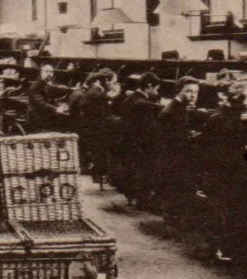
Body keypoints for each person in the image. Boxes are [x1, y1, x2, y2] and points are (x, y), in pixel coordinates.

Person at [198, 80, 247, 262]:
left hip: (224, 173)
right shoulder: (222, 119)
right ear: (237, 98)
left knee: (226, 211)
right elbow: (224, 152)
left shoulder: (228, 115)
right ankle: (217, 251)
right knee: (222, 212)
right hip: (222, 174)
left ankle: (221, 249)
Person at [155, 76, 202, 221]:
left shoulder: (179, 107)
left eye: (195, 92)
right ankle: (173, 218)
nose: (193, 95)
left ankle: (175, 216)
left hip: (175, 157)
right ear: (178, 91)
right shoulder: (172, 112)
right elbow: (174, 140)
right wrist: (197, 137)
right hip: (173, 158)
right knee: (176, 188)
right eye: (188, 91)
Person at [118, 71, 162, 208]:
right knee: (142, 171)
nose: (156, 92)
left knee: (132, 171)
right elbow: (149, 127)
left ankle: (132, 198)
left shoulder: (130, 98)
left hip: (128, 142)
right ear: (149, 86)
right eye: (156, 89)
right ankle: (141, 200)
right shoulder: (142, 103)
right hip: (139, 144)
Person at [78, 69, 119, 182]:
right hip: (96, 132)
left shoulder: (95, 90)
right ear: (106, 81)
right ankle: (109, 175)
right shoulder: (98, 94)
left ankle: (103, 172)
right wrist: (120, 120)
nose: (114, 85)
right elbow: (105, 116)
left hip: (90, 129)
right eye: (114, 82)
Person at [27, 64, 70, 132]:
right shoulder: (35, 86)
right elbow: (41, 104)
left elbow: (51, 100)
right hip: (37, 117)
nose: (49, 74)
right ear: (41, 73)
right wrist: (56, 109)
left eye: (51, 72)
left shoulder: (47, 85)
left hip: (45, 114)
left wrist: (59, 106)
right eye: (46, 71)